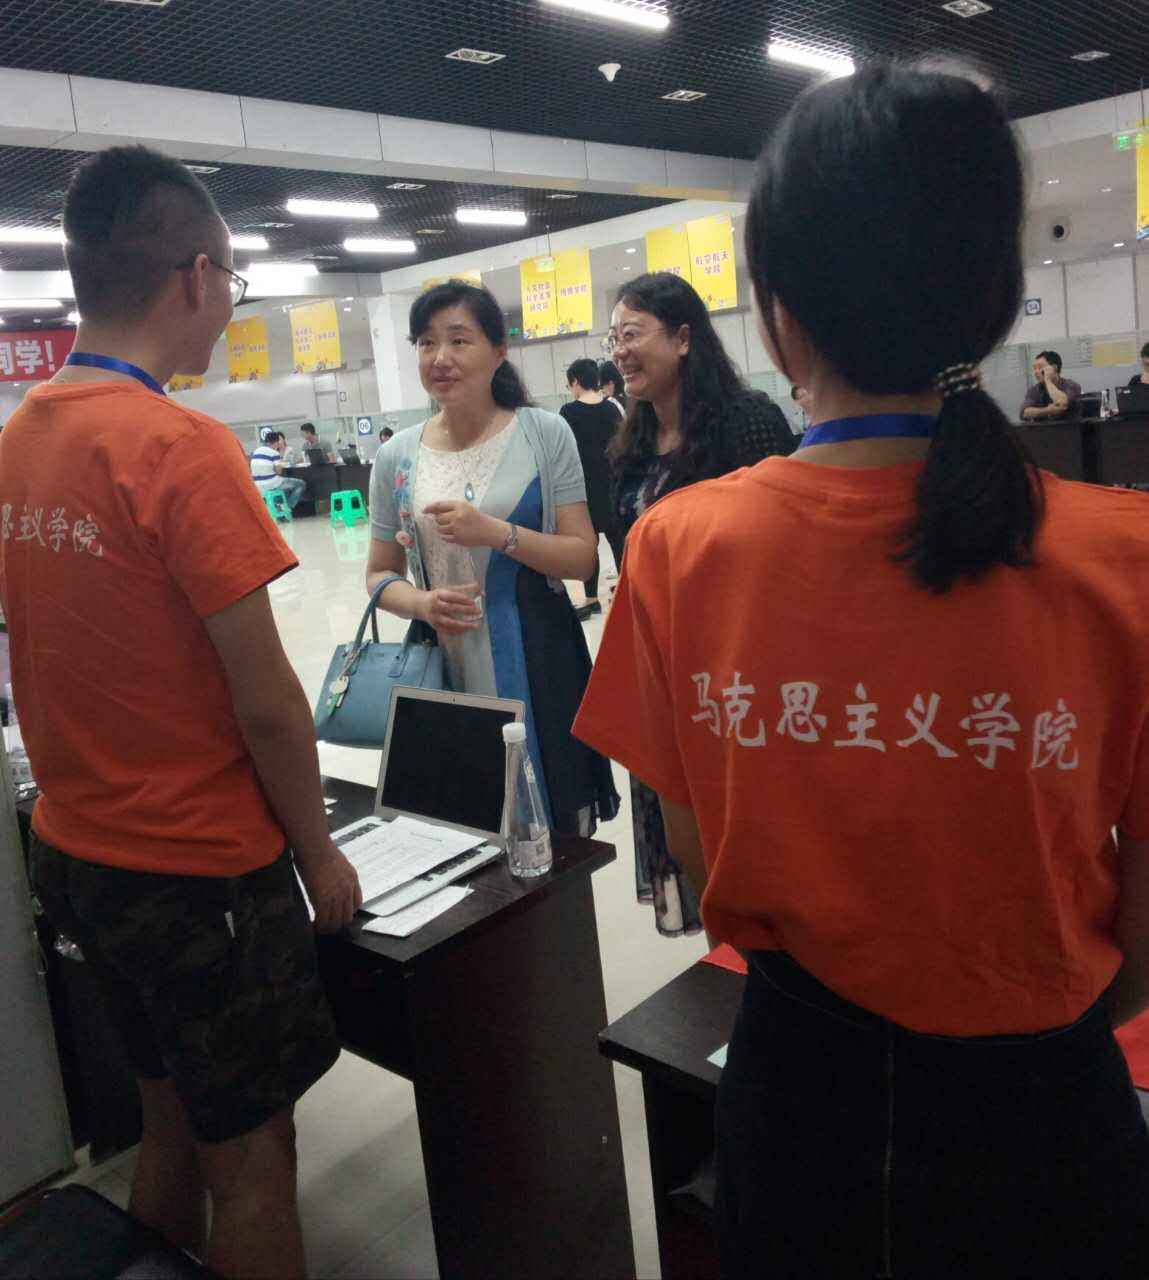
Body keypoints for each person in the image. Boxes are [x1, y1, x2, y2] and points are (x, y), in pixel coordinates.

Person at [576, 63, 1149, 1278]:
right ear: (989, 297)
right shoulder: (1126, 556)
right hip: (1049, 1116)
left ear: (774, 308)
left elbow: (695, 853)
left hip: (797, 1097)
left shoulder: (679, 547)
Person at [0, 145, 361, 1280]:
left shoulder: (20, 435)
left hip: (76, 851)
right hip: (196, 873)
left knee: (167, 1116)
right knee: (252, 1161)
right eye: (235, 281)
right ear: (197, 275)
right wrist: (319, 853)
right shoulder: (178, 445)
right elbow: (268, 701)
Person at [366, 281, 618, 836]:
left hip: (537, 656)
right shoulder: (396, 456)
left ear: (499, 350)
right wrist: (422, 604)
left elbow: (581, 559)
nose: (441, 357)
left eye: (459, 340)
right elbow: (379, 573)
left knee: (551, 830)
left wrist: (497, 533)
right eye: (426, 342)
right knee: (464, 823)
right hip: (442, 665)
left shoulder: (543, 433)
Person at [604, 270, 796, 938]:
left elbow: (782, 549)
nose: (619, 351)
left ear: (683, 338)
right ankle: (722, 958)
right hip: (665, 668)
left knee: (746, 833)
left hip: (738, 668)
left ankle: (764, 958)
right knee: (686, 823)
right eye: (612, 338)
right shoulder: (633, 442)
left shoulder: (748, 423)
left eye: (632, 334)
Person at [560, 357, 620, 621]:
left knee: (589, 543)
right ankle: (626, 591)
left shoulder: (568, 412)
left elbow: (563, 455)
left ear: (575, 381)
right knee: (619, 541)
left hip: (583, 489)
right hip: (613, 485)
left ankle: (591, 599)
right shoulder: (612, 410)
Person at [251, 431, 306, 510]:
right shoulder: (274, 453)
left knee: (284, 486)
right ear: (276, 442)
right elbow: (279, 472)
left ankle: (279, 507)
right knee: (301, 484)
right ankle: (287, 508)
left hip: (257, 485)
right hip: (270, 483)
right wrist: (281, 464)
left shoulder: (256, 451)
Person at [1020, 350, 1082, 420]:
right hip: (1044, 427)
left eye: (1040, 367)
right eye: (1034, 368)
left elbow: (1062, 403)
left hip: (1069, 426)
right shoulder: (1034, 390)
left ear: (1054, 368)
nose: (1036, 372)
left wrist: (1047, 380)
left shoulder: (1071, 385)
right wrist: (1048, 410)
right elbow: (1024, 413)